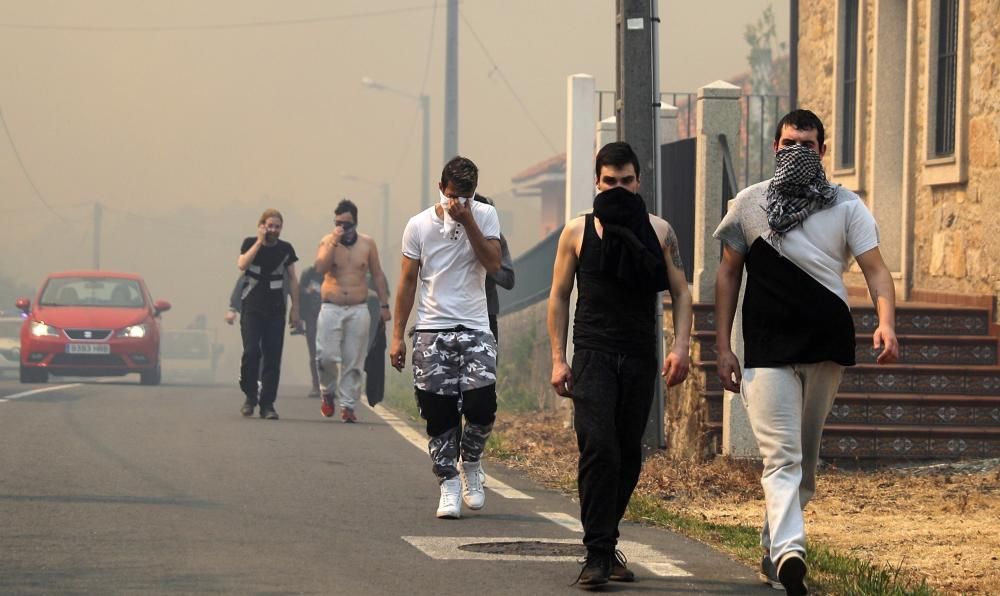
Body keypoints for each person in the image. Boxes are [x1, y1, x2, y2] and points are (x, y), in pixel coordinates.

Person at [713, 109, 899, 595]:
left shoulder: (845, 206)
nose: (798, 152)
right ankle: (792, 552)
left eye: (808, 145)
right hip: (766, 348)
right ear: (775, 147)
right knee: (782, 458)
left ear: (822, 151)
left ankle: (773, 548)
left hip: (825, 347)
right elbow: (728, 274)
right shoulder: (750, 204)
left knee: (805, 466)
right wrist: (723, 347)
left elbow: (876, 271)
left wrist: (885, 323)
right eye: (789, 143)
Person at [547, 141, 692, 586]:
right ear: (597, 181)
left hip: (638, 356)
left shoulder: (659, 231)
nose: (619, 188)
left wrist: (680, 347)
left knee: (628, 454)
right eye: (610, 181)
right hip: (592, 354)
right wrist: (558, 358)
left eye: (627, 180)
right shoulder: (577, 231)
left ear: (638, 181)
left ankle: (606, 547)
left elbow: (681, 292)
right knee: (599, 448)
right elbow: (558, 295)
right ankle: (596, 555)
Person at [389, 156, 502, 520]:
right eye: (454, 196)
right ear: (441, 189)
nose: (459, 203)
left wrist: (469, 220)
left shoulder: (484, 216)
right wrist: (397, 337)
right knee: (438, 412)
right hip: (432, 328)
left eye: (466, 196)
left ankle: (471, 462)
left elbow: (494, 264)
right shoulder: (418, 226)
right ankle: (448, 482)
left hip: (474, 327)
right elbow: (407, 284)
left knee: (482, 407)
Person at [313, 199, 390, 423]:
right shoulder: (327, 242)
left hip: (358, 308)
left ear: (355, 223)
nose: (342, 228)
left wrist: (384, 305)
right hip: (331, 306)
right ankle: (327, 391)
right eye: (338, 223)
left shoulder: (367, 244)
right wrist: (333, 243)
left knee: (353, 359)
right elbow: (319, 268)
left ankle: (348, 405)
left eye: (346, 224)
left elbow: (377, 275)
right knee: (325, 356)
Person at [236, 208, 300, 420]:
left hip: (275, 310)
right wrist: (259, 242)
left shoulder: (286, 250)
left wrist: (295, 309)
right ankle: (250, 395)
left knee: (272, 358)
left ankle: (267, 404)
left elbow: (292, 279)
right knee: (251, 352)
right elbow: (242, 264)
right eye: (270, 225)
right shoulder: (249, 243)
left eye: (277, 226)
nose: (273, 230)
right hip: (252, 308)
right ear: (262, 226)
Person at [472, 194, 515, 344]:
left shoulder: (496, 239)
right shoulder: (451, 236)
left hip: (486, 314)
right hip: (451, 316)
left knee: (486, 366)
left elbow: (509, 279)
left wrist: (488, 261)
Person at [298, 264, 324, 397]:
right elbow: (298, 291)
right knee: (314, 353)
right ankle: (316, 385)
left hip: (328, 318)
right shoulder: (309, 273)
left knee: (328, 353)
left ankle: (328, 386)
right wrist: (307, 291)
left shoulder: (334, 272)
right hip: (311, 317)